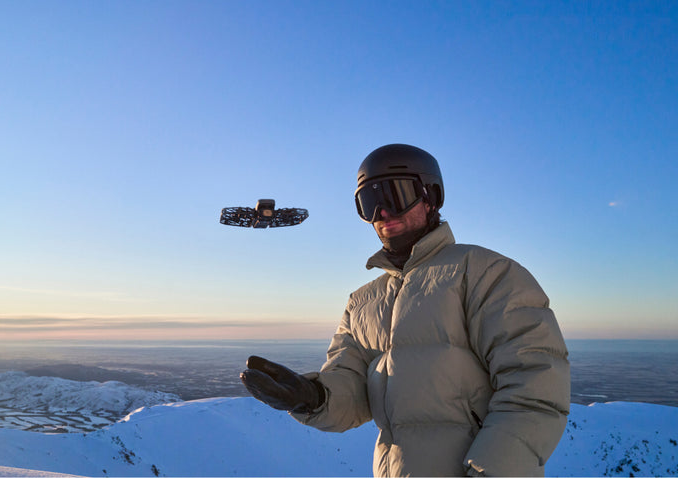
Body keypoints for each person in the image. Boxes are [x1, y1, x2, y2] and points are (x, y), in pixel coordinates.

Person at [241, 144, 570, 477]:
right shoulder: (362, 303)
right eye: (369, 203)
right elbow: (352, 392)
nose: (383, 213)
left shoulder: (485, 274)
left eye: (395, 195)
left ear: (431, 196)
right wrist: (312, 397)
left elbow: (535, 389)